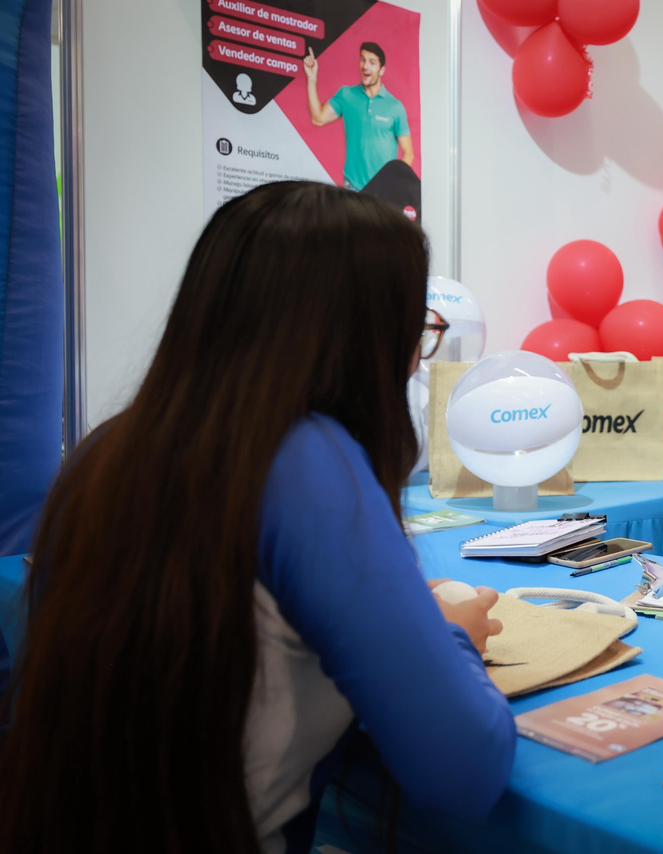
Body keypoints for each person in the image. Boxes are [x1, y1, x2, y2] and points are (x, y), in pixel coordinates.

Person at [0, 182, 514, 853]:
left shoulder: (108, 449)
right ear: (366, 335)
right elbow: (463, 769)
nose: (417, 354)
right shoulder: (310, 463)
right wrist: (450, 640)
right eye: (414, 327)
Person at [304, 41, 413, 191]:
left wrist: (393, 183)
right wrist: (312, 79)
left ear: (382, 70)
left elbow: (408, 153)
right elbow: (318, 118)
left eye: (372, 62)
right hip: (353, 187)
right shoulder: (347, 95)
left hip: (384, 191)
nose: (365, 66)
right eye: (363, 59)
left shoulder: (395, 107)